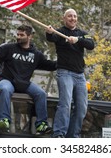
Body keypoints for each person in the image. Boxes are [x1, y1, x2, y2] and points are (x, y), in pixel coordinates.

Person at [46, 8, 95, 138]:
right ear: (64, 18)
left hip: (80, 76)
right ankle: (59, 134)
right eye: (69, 16)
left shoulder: (82, 34)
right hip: (65, 73)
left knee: (81, 108)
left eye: (74, 16)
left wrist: (77, 40)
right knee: (65, 104)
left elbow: (91, 44)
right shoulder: (60, 32)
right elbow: (52, 37)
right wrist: (49, 32)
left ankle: (73, 136)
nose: (72, 18)